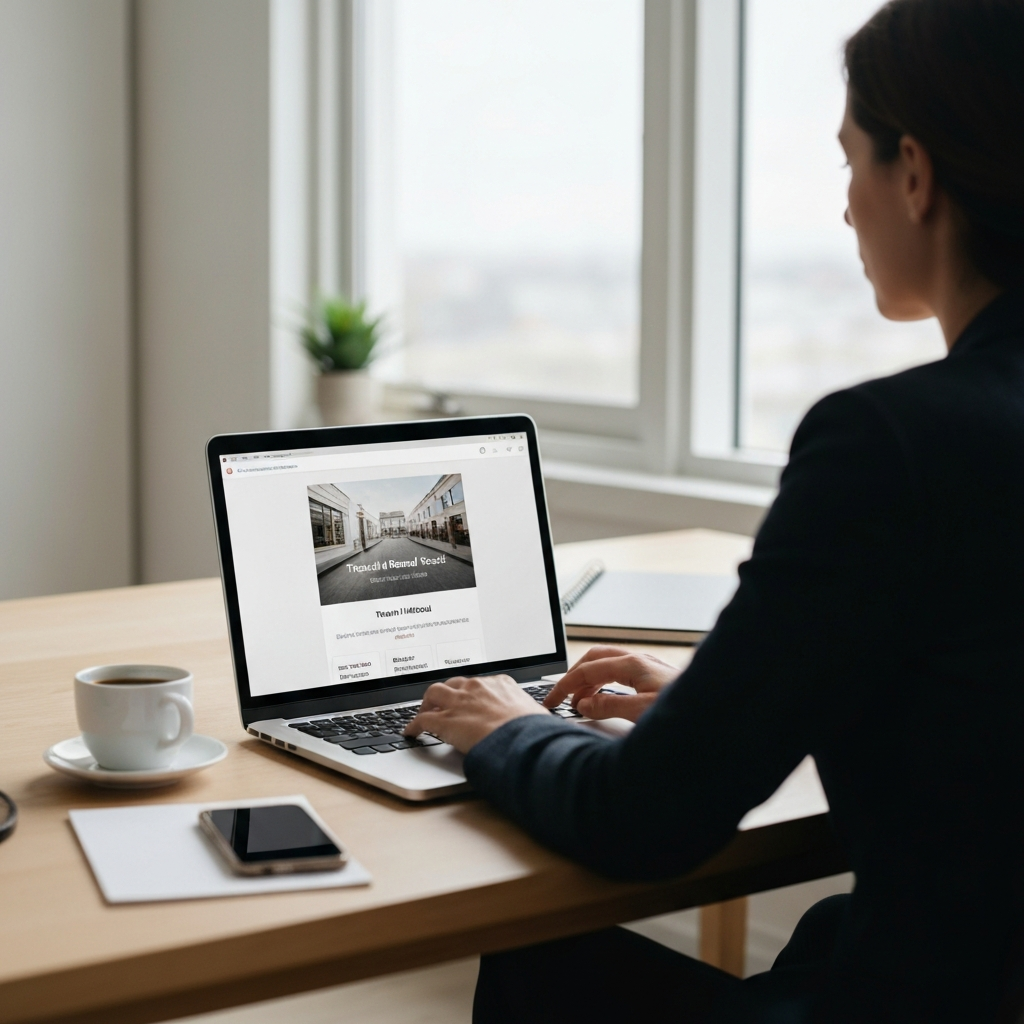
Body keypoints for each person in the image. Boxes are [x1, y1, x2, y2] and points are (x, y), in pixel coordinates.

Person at [405, 0, 1024, 1020]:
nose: (843, 208)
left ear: (912, 174)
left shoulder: (894, 443)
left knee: (535, 966)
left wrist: (506, 726)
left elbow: (640, 821)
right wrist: (723, 708)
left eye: (846, 165)